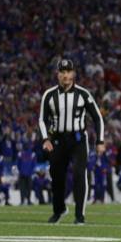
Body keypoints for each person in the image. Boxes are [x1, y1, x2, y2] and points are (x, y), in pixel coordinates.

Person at [39, 58, 105, 225]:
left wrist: (100, 141)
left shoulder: (83, 94)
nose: (65, 75)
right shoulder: (49, 94)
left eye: (68, 72)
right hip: (58, 141)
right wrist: (46, 138)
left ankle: (79, 216)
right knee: (57, 176)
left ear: (74, 74)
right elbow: (42, 119)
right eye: (62, 72)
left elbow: (97, 118)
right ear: (57, 74)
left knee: (79, 173)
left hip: (78, 140)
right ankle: (59, 209)